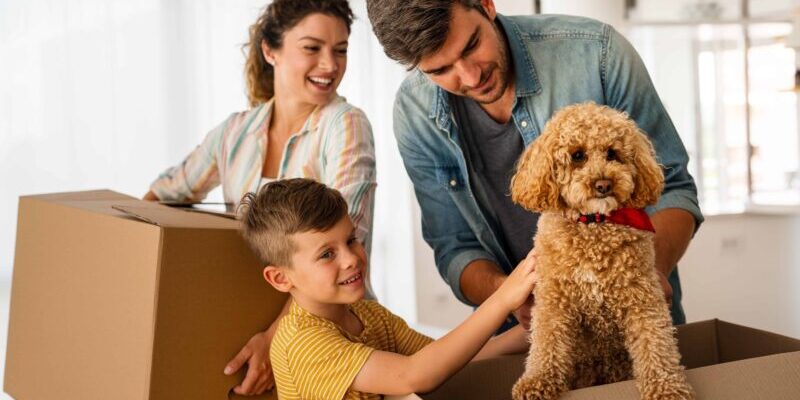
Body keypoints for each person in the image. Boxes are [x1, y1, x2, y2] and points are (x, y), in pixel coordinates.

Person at [365, 0, 703, 331]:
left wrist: (647, 274)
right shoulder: (414, 112)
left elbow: (672, 187)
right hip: (518, 338)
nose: (471, 76)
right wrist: (508, 295)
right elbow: (455, 246)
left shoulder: (598, 54)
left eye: (471, 45)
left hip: (638, 326)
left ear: (486, 5)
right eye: (440, 71)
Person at [144, 0, 376, 395]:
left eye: (340, 50)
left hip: (328, 332)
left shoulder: (344, 124)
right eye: (312, 48)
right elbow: (165, 193)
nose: (330, 64)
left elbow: (350, 236)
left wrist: (274, 338)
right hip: (247, 329)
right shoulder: (234, 133)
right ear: (271, 51)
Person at [239, 178, 535, 399]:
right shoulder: (302, 342)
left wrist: (538, 327)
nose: (351, 259)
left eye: (351, 240)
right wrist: (502, 299)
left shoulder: (370, 315)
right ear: (280, 279)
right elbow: (413, 376)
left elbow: (450, 358)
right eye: (327, 254)